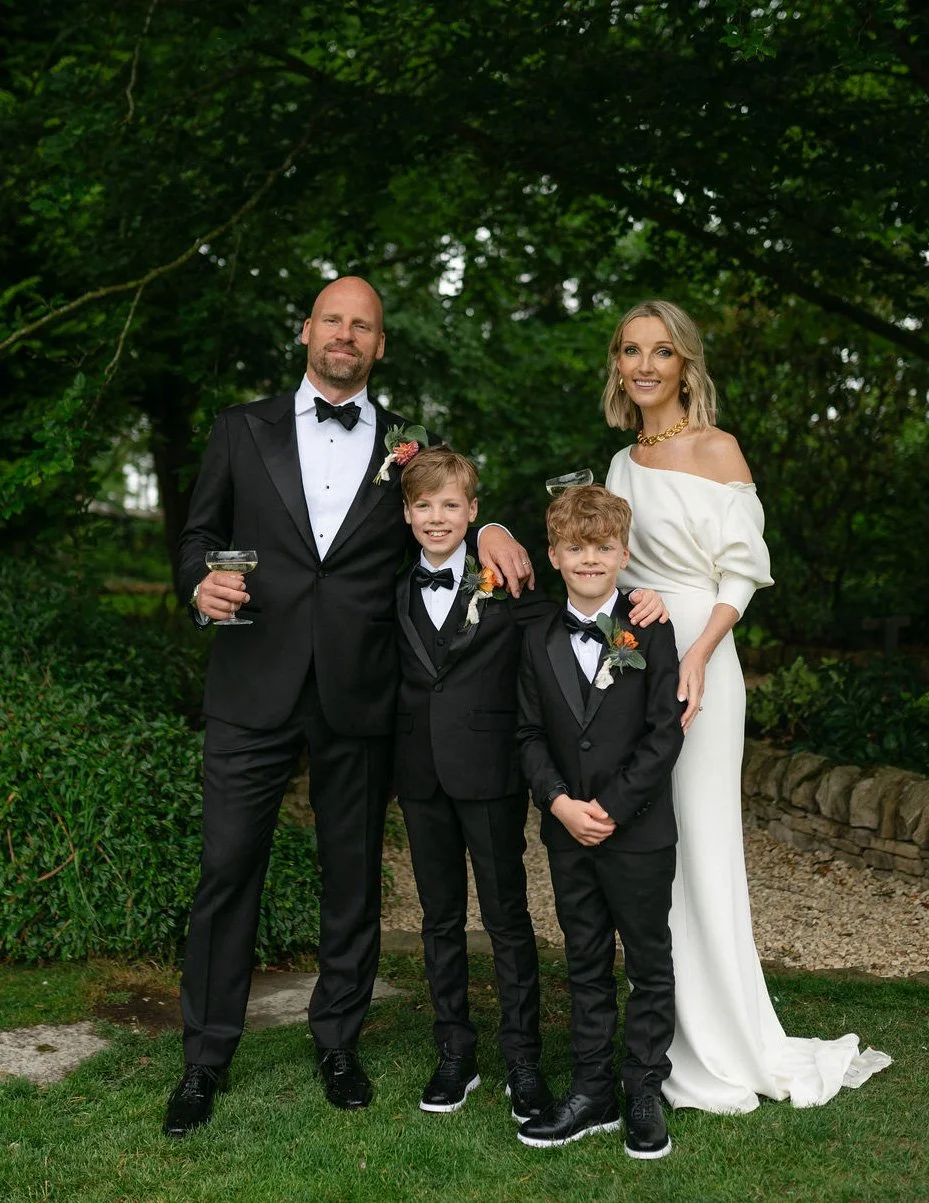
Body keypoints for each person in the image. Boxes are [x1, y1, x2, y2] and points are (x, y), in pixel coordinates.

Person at [164, 276, 532, 1137]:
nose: (347, 334)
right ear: (306, 331)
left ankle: (338, 1039)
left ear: (379, 346)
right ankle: (205, 1056)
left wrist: (493, 530)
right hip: (253, 680)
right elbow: (193, 535)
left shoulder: (413, 444)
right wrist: (195, 581)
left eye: (363, 325)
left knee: (353, 877)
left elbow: (445, 515)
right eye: (334, 319)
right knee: (226, 870)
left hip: (362, 688)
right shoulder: (239, 426)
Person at [603, 299, 891, 1112]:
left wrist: (696, 653)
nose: (647, 365)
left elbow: (742, 570)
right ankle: (664, 1028)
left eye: (662, 351)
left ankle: (724, 1038)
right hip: (644, 657)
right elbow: (616, 575)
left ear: (686, 364)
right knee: (653, 844)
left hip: (705, 660)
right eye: (632, 351)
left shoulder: (718, 448)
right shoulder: (621, 464)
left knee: (703, 844)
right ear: (619, 366)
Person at [515, 485, 684, 1159]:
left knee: (647, 960)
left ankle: (643, 1088)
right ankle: (592, 1090)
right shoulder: (536, 637)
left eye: (603, 547)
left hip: (639, 832)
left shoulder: (652, 626)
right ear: (554, 555)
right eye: (576, 547)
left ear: (624, 552)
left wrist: (611, 807)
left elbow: (665, 732)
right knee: (584, 960)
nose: (590, 558)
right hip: (566, 831)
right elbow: (528, 734)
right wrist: (558, 801)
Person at [394, 445, 556, 1121]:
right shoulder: (392, 583)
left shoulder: (505, 581)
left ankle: (523, 1058)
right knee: (437, 918)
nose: (437, 517)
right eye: (424, 505)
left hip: (489, 773)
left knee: (507, 918)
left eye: (452, 505)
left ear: (474, 511)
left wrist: (634, 614)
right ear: (406, 514)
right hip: (420, 775)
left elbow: (559, 639)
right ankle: (454, 1052)